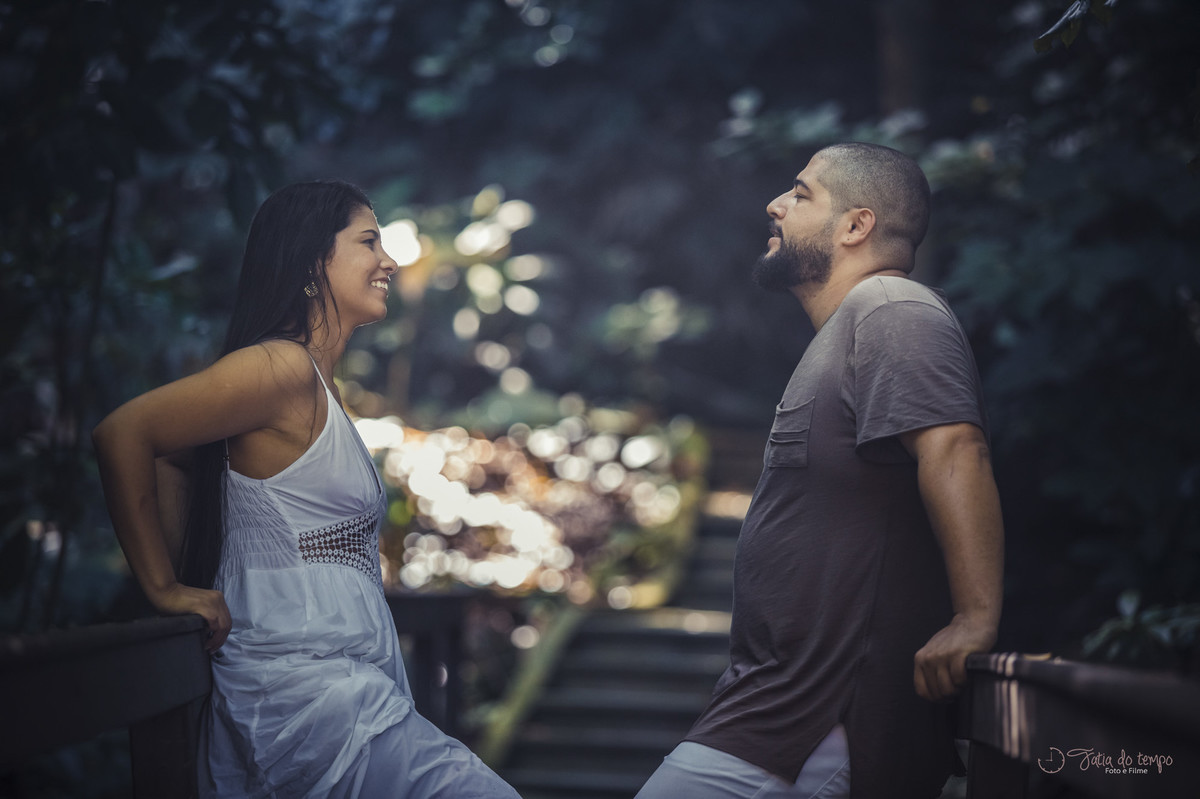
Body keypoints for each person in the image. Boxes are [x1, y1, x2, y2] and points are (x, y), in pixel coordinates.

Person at [93, 180, 521, 799]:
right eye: (368, 241)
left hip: (339, 695)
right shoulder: (281, 368)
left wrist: (209, 571)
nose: (389, 261)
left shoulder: (316, 386)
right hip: (310, 700)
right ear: (310, 261)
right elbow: (126, 435)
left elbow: (181, 464)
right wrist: (166, 589)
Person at [636, 143, 1004, 799]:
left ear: (856, 225)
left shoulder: (891, 306)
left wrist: (975, 617)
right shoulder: (847, 330)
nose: (775, 204)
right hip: (773, 713)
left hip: (818, 723)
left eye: (801, 194)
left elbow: (955, 447)